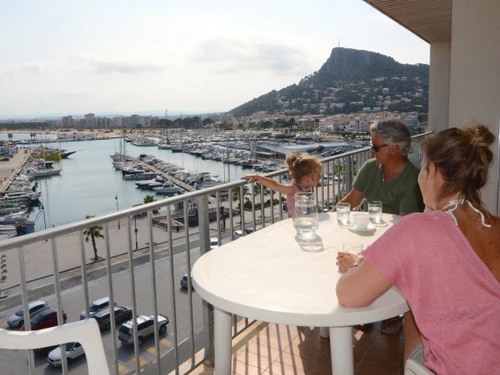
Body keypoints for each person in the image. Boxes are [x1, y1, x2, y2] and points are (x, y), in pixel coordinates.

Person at [336, 123, 500, 374]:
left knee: (414, 315)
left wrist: (360, 264)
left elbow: (348, 295)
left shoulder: (418, 229)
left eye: (422, 168)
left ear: (432, 171)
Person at [335, 119, 425, 333]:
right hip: (366, 235)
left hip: (395, 244)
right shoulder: (370, 168)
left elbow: (404, 228)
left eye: (375, 147)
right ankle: (363, 297)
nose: (371, 150)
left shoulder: (412, 180)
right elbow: (352, 200)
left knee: (358, 264)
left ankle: (389, 309)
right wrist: (325, 217)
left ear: (393, 149)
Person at [241, 153, 321, 217]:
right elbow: (276, 185)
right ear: (307, 178)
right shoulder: (293, 189)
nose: (320, 176)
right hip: (297, 225)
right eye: (318, 174)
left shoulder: (305, 188)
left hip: (306, 222)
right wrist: (258, 177)